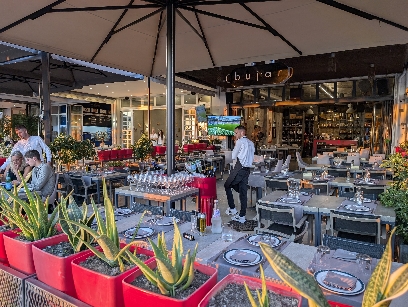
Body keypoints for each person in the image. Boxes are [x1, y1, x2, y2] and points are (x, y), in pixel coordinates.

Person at [224, 125, 255, 223]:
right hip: (247, 169)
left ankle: (232, 209)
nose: (235, 134)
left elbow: (233, 156)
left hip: (239, 168)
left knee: (227, 185)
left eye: (236, 133)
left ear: (242, 133)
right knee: (243, 192)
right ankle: (242, 216)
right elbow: (252, 156)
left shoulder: (239, 142)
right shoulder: (251, 143)